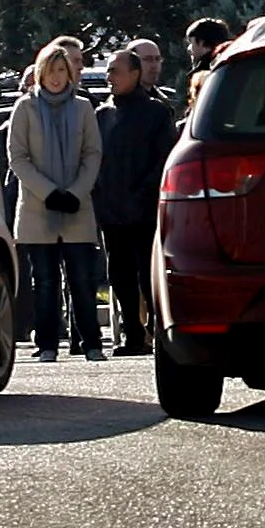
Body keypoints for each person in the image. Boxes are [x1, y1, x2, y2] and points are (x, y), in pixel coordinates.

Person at [7, 39, 105, 362]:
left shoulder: (83, 108)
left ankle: (91, 343)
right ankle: (47, 343)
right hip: (38, 208)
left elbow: (92, 154)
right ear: (40, 73)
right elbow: (17, 158)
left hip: (76, 206)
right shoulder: (25, 108)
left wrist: (76, 192)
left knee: (81, 278)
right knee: (45, 280)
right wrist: (47, 192)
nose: (56, 77)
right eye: (50, 70)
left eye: (62, 70)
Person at [95, 47, 180, 355]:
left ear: (134, 73)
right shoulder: (102, 115)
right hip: (112, 211)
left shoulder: (156, 112)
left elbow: (163, 158)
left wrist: (144, 191)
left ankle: (157, 331)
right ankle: (132, 333)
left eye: (115, 71)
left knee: (148, 271)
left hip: (144, 209)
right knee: (119, 273)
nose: (109, 77)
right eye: (108, 71)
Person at [183, 16, 236, 109]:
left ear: (202, 42)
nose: (189, 49)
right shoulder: (235, 63)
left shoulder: (204, 73)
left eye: (191, 43)